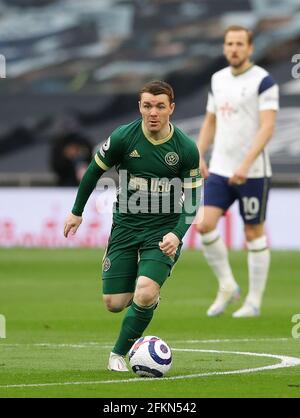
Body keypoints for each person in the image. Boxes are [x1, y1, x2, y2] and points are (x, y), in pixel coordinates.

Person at [64, 81, 202, 371]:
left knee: (145, 291)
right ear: (140, 107)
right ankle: (145, 301)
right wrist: (77, 211)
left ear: (171, 109)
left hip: (162, 232)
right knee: (114, 303)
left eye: (160, 106)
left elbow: (192, 199)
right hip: (125, 227)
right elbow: (93, 171)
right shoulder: (123, 138)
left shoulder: (186, 149)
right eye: (148, 105)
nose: (153, 112)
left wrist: (177, 235)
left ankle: (118, 353)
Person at [196, 25, 279, 318]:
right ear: (224, 47)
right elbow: (210, 121)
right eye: (229, 43)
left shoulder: (264, 82)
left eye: (239, 44)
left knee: (253, 231)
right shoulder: (217, 80)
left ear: (250, 48)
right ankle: (228, 285)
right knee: (204, 225)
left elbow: (268, 126)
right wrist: (200, 155)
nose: (234, 48)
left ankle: (254, 302)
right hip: (220, 168)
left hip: (253, 171)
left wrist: (245, 164)